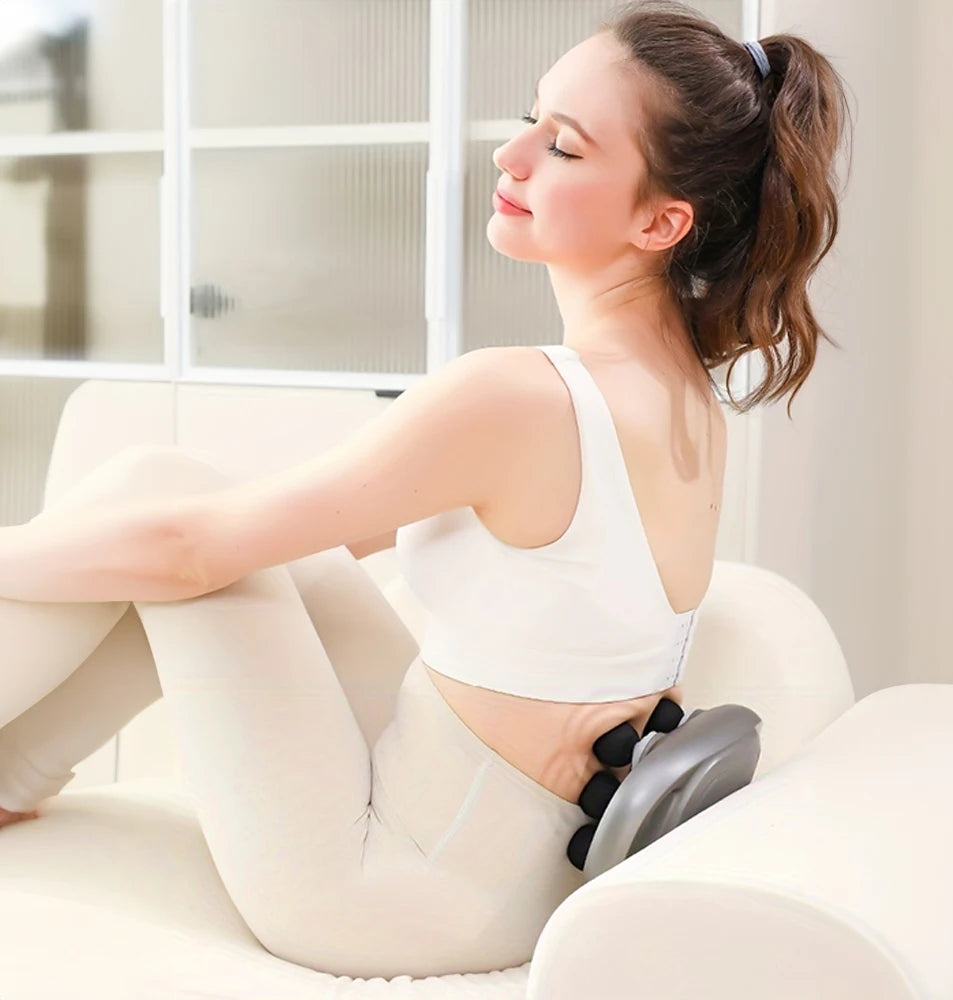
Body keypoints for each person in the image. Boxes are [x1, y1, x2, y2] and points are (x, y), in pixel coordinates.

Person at [0, 0, 852, 980]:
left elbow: (191, 555)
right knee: (174, 499)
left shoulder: (520, 398)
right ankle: (11, 774)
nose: (511, 155)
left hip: (388, 890)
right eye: (530, 118)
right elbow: (306, 532)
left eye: (563, 147)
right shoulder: (684, 395)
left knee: (176, 530)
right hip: (503, 858)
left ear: (661, 221)